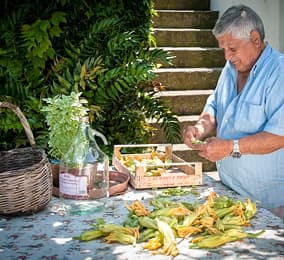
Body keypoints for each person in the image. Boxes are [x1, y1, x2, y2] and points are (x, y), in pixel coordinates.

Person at [183, 5, 284, 219]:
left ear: (255, 39)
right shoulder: (231, 69)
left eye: (232, 48)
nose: (227, 57)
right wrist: (200, 127)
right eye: (223, 49)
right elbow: (215, 106)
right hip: (231, 195)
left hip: (271, 205)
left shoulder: (280, 72)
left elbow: (279, 136)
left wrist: (230, 147)